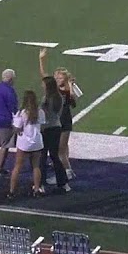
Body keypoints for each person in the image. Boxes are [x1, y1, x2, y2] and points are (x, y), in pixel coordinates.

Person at [41, 51, 81, 181]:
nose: (57, 79)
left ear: (66, 78)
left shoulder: (67, 90)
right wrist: (41, 60)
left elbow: (74, 99)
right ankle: (65, 169)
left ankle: (67, 171)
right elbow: (44, 76)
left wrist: (70, 84)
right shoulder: (55, 89)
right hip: (59, 122)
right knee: (62, 148)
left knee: (60, 150)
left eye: (60, 77)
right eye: (56, 77)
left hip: (64, 122)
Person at [8, 90, 44, 198]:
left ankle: (11, 191)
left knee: (17, 167)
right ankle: (37, 189)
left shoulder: (22, 113)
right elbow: (42, 125)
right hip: (37, 142)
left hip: (24, 143)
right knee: (36, 166)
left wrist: (13, 125)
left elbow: (17, 129)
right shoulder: (40, 112)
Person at [38, 73, 69, 193]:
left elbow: (44, 115)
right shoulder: (59, 97)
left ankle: (40, 184)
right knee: (55, 156)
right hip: (56, 127)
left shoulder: (47, 98)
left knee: (42, 156)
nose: (42, 85)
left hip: (46, 129)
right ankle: (63, 183)